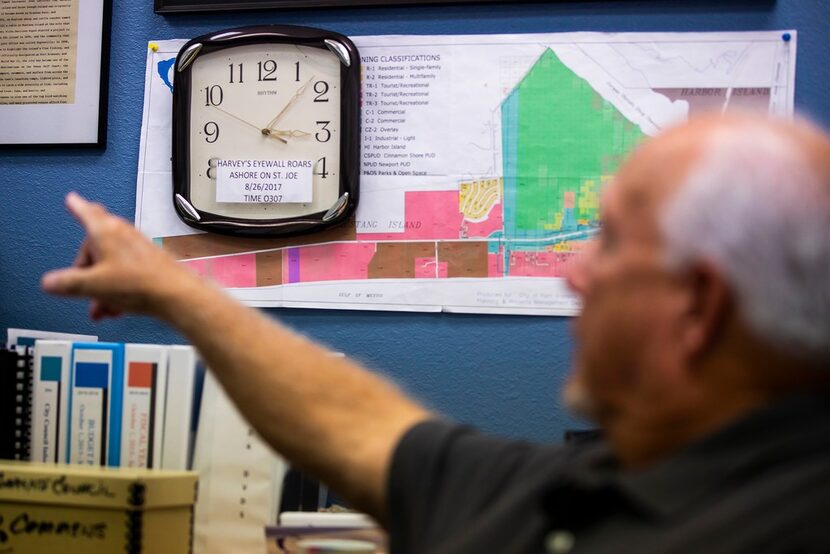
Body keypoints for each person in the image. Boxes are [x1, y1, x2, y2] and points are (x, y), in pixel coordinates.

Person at [42, 113, 830, 553]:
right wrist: (169, 288)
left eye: (613, 243)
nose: (573, 273)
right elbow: (357, 426)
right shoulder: (591, 486)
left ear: (698, 308)